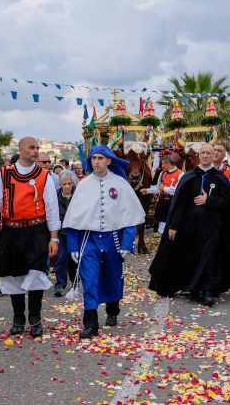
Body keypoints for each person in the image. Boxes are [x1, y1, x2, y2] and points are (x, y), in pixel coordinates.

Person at [149, 143, 230, 306]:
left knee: (211, 257)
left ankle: (208, 290)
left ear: (214, 156)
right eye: (203, 153)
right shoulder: (188, 176)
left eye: (209, 153)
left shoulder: (219, 178)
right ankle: (194, 287)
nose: (205, 156)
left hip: (212, 226)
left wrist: (209, 200)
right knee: (191, 255)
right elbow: (179, 204)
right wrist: (173, 225)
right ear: (199, 155)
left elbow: (228, 204)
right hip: (189, 226)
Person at [0, 137, 60, 338]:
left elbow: (52, 207)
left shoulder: (44, 176)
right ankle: (18, 317)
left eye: (37, 148)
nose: (36, 151)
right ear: (21, 149)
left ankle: (35, 318)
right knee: (13, 274)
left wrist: (54, 238)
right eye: (31, 148)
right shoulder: (4, 174)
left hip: (37, 230)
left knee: (36, 272)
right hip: (11, 231)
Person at [64, 145, 145, 339]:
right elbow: (75, 218)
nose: (97, 161)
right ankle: (91, 323)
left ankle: (113, 309)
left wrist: (127, 243)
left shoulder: (120, 183)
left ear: (109, 160)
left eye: (101, 158)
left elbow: (129, 216)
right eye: (93, 158)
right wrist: (73, 245)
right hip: (89, 240)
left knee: (112, 277)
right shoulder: (83, 185)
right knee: (89, 280)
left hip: (113, 239)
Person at [140, 155, 184, 234]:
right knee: (162, 224)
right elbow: (158, 188)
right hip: (163, 202)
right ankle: (162, 242)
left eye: (163, 164)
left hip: (174, 202)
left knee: (173, 225)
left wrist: (165, 188)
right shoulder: (162, 173)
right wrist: (147, 190)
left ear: (169, 164)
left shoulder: (181, 174)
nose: (162, 166)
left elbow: (180, 191)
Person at [54, 170, 78, 297]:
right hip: (61, 232)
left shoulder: (79, 195)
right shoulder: (55, 196)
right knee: (61, 257)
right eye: (64, 184)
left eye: (69, 183)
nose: (67, 186)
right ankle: (60, 284)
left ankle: (75, 283)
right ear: (61, 184)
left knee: (75, 258)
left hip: (75, 232)